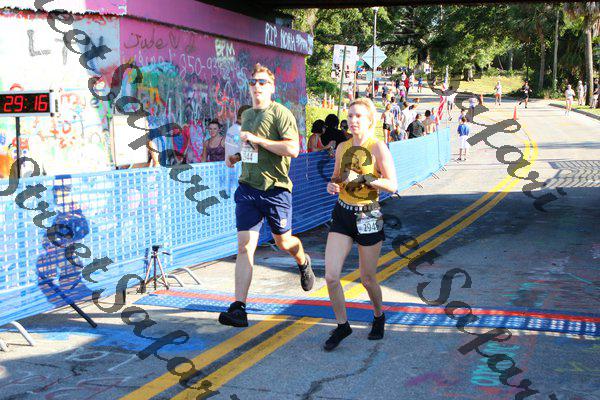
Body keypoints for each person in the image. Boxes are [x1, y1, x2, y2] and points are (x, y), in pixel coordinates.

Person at [219, 63, 315, 328]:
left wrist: (259, 140)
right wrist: (236, 157)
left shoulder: (281, 113)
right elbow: (251, 149)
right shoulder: (248, 115)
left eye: (262, 82)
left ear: (272, 87)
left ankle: (303, 260)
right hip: (248, 188)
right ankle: (239, 307)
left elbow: (293, 149)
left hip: (276, 189)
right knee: (244, 246)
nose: (257, 86)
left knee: (283, 242)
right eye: (253, 82)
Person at [324, 97, 398, 351]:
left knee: (367, 278)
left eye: (358, 116)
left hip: (368, 215)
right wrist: (333, 185)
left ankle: (378, 315)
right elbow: (336, 177)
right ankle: (342, 325)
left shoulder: (377, 147)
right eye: (350, 116)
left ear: (370, 121)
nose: (353, 120)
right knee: (331, 276)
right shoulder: (343, 147)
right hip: (343, 213)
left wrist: (365, 177)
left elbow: (392, 185)